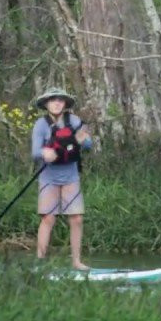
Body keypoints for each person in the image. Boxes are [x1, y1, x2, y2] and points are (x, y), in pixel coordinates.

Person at [31, 87, 94, 270]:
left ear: (65, 104)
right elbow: (35, 152)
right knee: (48, 218)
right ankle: (40, 262)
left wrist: (85, 141)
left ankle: (76, 262)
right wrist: (45, 152)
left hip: (71, 176)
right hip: (48, 177)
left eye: (60, 100)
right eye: (52, 100)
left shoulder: (74, 121)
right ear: (46, 104)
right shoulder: (40, 124)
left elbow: (88, 145)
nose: (57, 103)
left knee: (76, 219)